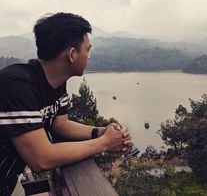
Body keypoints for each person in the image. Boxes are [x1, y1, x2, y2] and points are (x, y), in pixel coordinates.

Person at [0, 12, 131, 195]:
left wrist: (99, 132)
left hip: (10, 182)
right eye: (87, 49)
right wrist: (105, 143)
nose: (89, 56)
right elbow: (41, 159)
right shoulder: (17, 85)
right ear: (71, 54)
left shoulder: (56, 83)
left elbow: (59, 124)